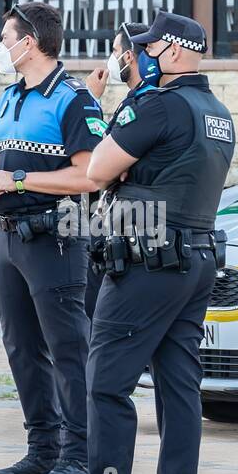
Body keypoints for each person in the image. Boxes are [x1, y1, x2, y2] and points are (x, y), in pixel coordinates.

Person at [45, 12, 234, 474]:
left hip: (148, 261)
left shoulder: (158, 105)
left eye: (144, 49)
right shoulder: (216, 111)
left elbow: (96, 170)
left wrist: (119, 123)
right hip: (194, 260)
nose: (134, 59)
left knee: (105, 383)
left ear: (173, 53)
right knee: (179, 388)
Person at [0, 2, 103, 474]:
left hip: (55, 239)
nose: (0, 46)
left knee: (68, 348)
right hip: (6, 235)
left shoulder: (74, 98)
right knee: (21, 347)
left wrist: (17, 178)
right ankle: (41, 448)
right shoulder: (9, 97)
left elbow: (89, 175)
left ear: (30, 43)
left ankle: (80, 454)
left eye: (6, 38)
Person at [82, 21, 150, 318]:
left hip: (128, 225)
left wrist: (90, 101)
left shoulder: (143, 102)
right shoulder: (138, 100)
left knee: (100, 317)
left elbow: (101, 162)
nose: (110, 59)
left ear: (129, 56)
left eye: (114, 50)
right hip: (119, 224)